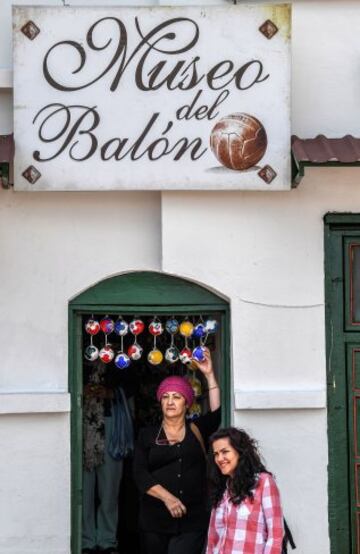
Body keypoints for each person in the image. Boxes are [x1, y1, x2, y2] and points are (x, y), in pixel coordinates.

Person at [133, 349, 221, 554]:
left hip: (192, 520)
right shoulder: (147, 435)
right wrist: (168, 498)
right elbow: (139, 474)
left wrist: (209, 374)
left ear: (187, 403)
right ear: (160, 402)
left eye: (177, 396)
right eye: (166, 397)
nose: (170, 401)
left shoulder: (197, 429)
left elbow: (217, 414)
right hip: (154, 521)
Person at [82, 359, 135, 554]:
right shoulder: (81, 358)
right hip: (83, 426)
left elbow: (131, 387)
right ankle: (86, 539)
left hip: (110, 425)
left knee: (109, 488)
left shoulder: (119, 358)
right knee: (84, 490)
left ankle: (107, 539)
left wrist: (110, 393)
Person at [206, 428, 284, 554]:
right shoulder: (222, 489)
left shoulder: (263, 482)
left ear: (240, 452)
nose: (220, 458)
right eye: (216, 454)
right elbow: (212, 539)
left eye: (225, 452)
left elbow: (275, 535)